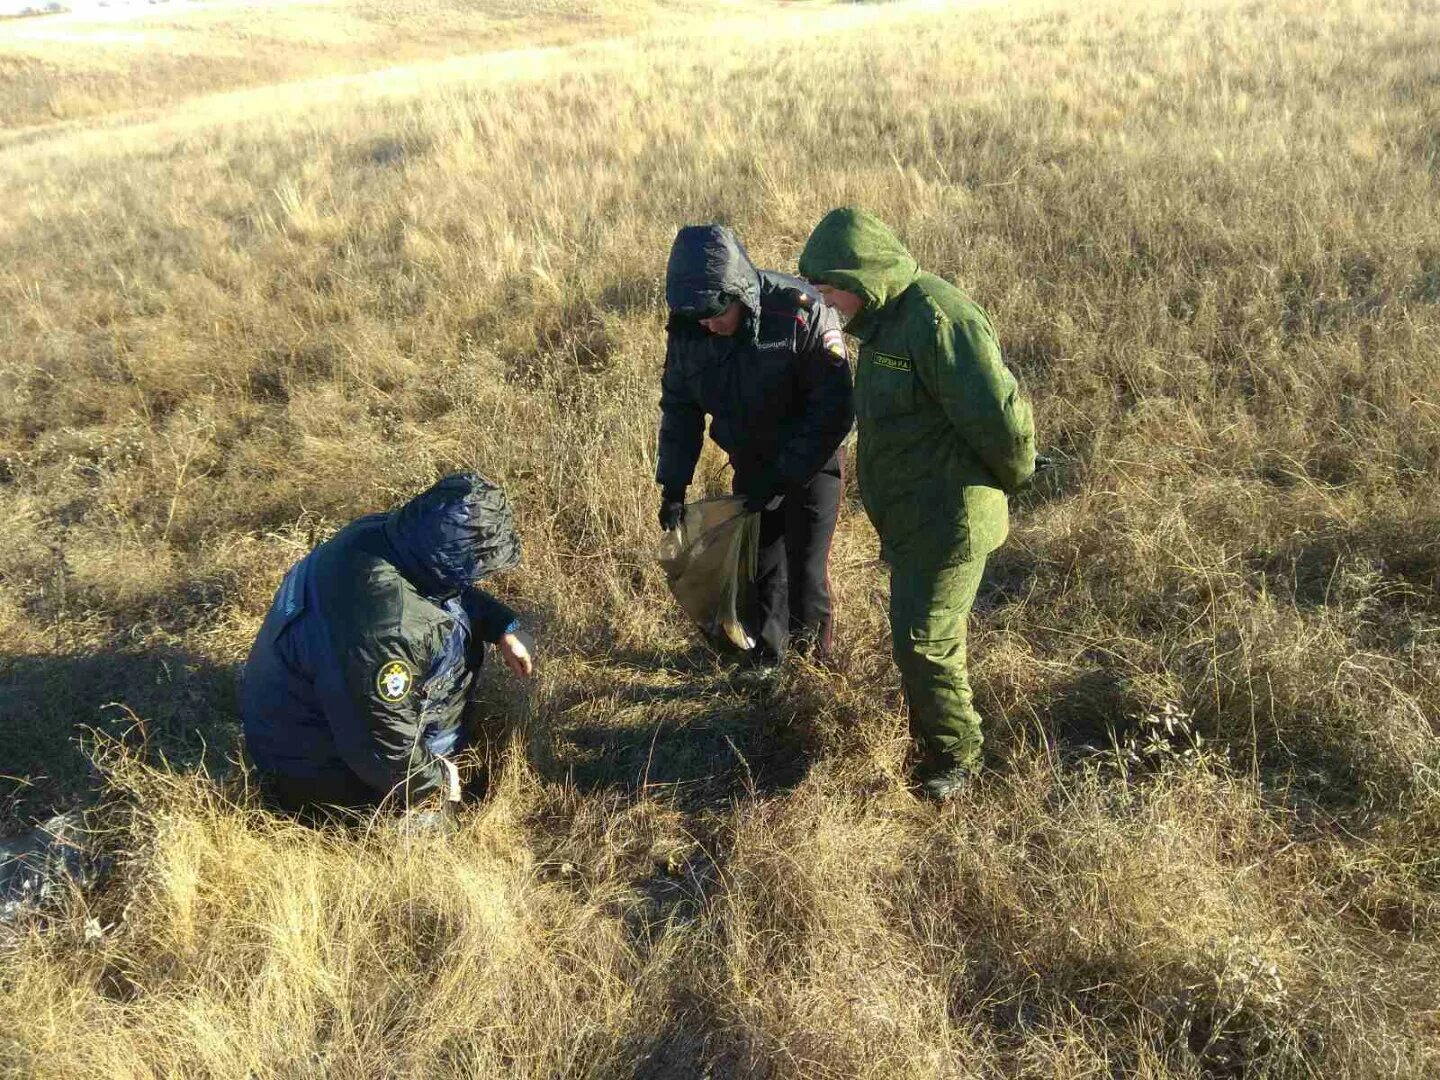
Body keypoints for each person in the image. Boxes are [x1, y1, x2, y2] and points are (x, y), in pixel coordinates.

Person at [798, 208, 1037, 801]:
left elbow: (1001, 421)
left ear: (861, 279)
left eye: (828, 289)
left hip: (949, 520)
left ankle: (959, 758)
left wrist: (1007, 482)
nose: (822, 302)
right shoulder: (880, 327)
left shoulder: (937, 318)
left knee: (924, 640)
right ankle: (932, 737)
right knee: (918, 635)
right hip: (911, 517)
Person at [240, 472, 534, 815]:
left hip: (302, 710)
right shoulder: (385, 628)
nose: (480, 576)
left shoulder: (385, 536)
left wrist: (500, 627)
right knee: (426, 825)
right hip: (312, 767)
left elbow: (445, 591)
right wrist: (434, 778)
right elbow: (378, 742)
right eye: (475, 566)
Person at [656, 223, 854, 663]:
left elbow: (835, 410)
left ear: (740, 297)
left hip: (813, 459)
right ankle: (769, 658)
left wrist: (787, 474)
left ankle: (814, 666)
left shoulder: (798, 311)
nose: (710, 325)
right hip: (752, 458)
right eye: (701, 319)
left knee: (805, 567)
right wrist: (673, 486)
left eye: (718, 315)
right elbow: (680, 410)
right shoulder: (690, 329)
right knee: (762, 564)